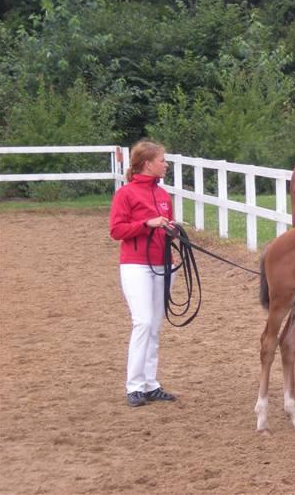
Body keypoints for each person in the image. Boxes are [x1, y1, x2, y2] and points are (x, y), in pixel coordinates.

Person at [109, 139, 177, 407]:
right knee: (143, 322)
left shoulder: (162, 196)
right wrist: (145, 224)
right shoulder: (126, 195)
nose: (166, 164)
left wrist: (172, 233)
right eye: (162, 160)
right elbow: (117, 230)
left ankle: (150, 383)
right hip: (136, 264)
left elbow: (166, 228)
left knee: (155, 325)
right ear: (148, 164)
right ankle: (134, 385)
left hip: (162, 263)